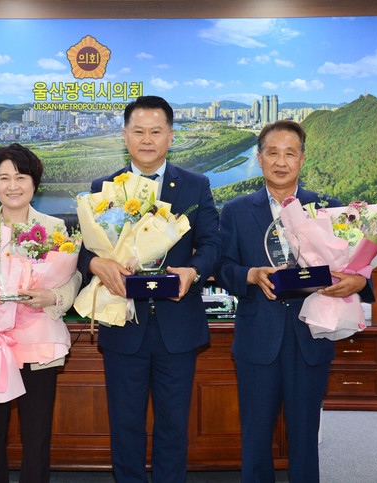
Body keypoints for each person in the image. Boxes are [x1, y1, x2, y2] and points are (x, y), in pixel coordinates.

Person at [214, 120, 375, 482]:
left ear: (302, 159)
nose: (281, 161)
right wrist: (250, 275)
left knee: (305, 437)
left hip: (310, 337)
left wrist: (358, 281)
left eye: (290, 153)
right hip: (258, 339)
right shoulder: (236, 210)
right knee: (256, 437)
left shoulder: (328, 207)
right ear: (259, 159)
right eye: (273, 153)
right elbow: (222, 268)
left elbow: (357, 265)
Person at [77, 96, 221, 482]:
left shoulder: (195, 186)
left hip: (178, 325)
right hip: (125, 324)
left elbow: (213, 244)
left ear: (170, 136)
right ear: (125, 136)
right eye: (138, 131)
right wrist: (94, 263)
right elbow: (82, 249)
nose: (146, 139)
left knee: (173, 426)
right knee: (125, 426)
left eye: (155, 131)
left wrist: (193, 271)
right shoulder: (104, 188)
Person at [0, 143, 82, 483]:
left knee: (37, 436)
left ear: (34, 183)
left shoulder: (54, 226)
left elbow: (74, 276)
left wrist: (52, 296)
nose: (12, 186)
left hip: (38, 344)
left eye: (20, 177)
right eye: (4, 178)